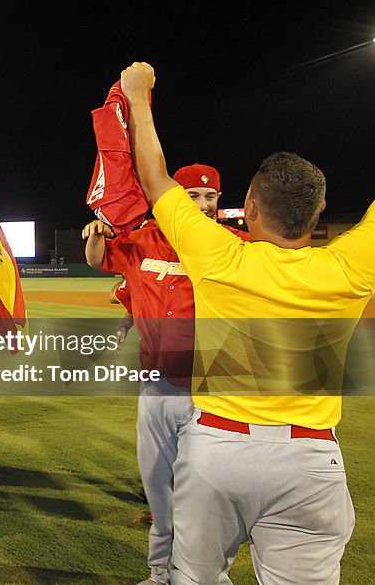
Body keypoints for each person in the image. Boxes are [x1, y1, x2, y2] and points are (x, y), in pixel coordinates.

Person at [119, 61, 373, 584]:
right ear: (320, 209)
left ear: (250, 208)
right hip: (311, 460)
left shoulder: (218, 255)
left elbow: (154, 177)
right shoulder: (349, 268)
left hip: (219, 452)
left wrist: (138, 100)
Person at [83, 164, 248, 585]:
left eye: (210, 197)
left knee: (206, 494)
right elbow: (102, 260)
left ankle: (209, 573)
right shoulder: (145, 239)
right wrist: (96, 237)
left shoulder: (234, 244)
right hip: (156, 388)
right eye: (192, 195)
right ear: (175, 197)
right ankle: (160, 572)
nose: (204, 204)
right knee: (158, 487)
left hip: (210, 393)